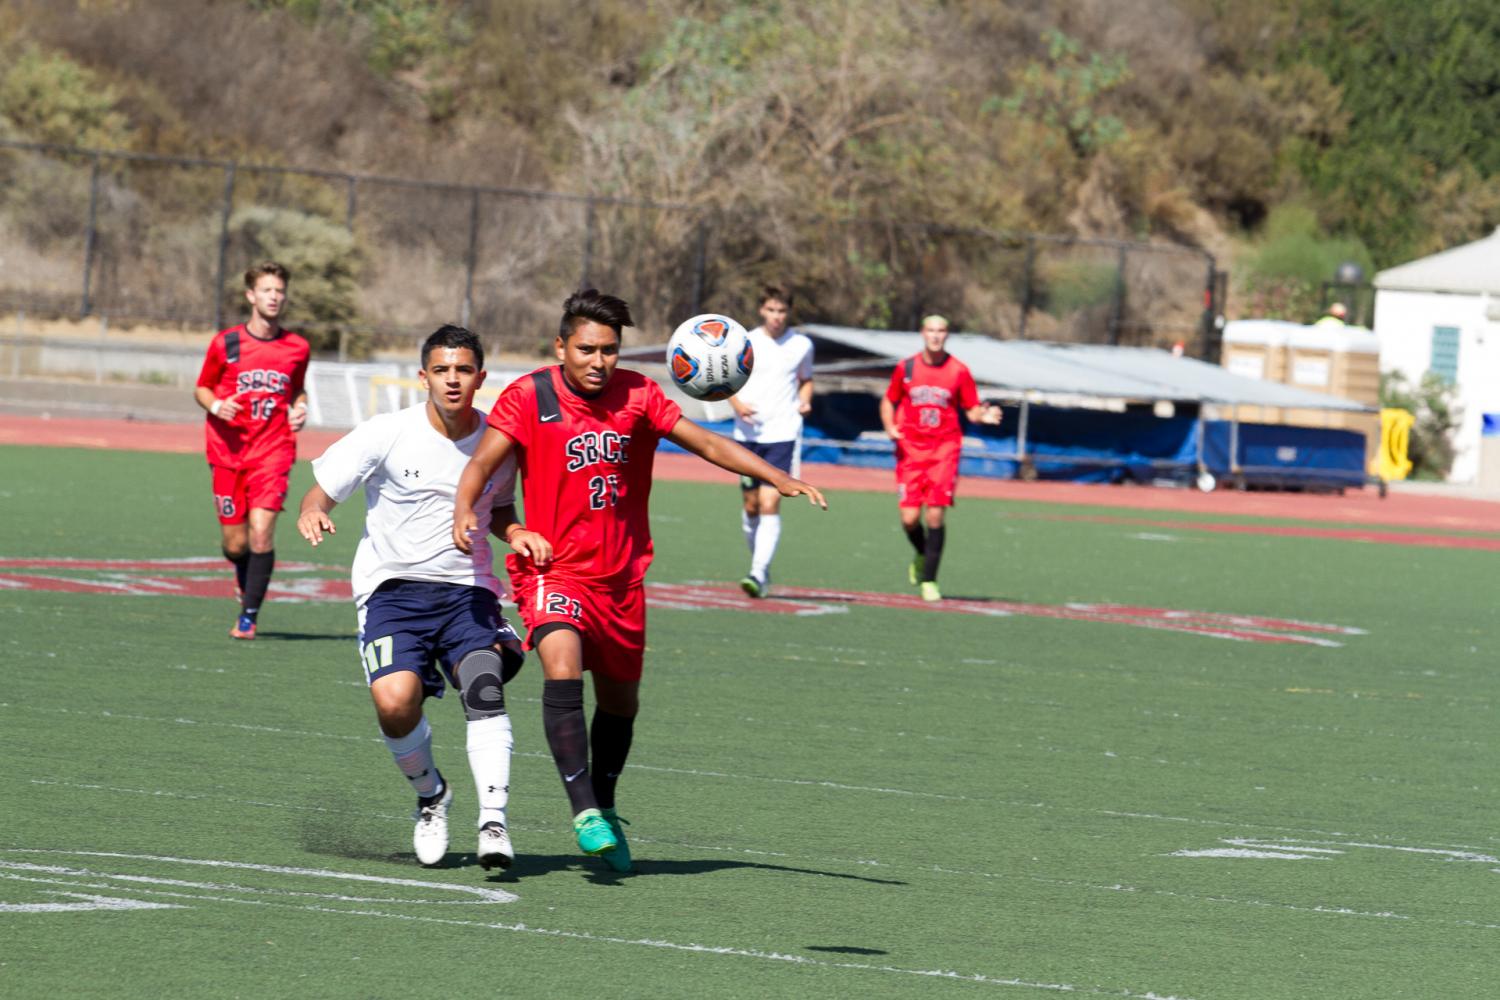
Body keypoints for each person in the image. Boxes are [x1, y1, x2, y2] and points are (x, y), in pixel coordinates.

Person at [452, 288, 827, 873]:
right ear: (561, 346)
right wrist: (468, 511)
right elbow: (480, 463)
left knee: (621, 703)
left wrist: (774, 475)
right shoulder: (531, 395)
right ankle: (584, 812)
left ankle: (604, 799)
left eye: (610, 350)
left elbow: (704, 441)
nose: (599, 361)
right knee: (561, 665)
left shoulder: (640, 394)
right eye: (586, 349)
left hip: (623, 580)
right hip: (554, 571)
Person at [296, 325, 525, 870]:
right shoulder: (386, 432)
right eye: (441, 370)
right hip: (392, 594)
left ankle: (494, 822)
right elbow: (321, 489)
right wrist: (313, 510)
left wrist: (513, 532)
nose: (452, 380)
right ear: (423, 377)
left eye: (463, 370)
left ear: (480, 378)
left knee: (483, 684)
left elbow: (500, 509)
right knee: (395, 703)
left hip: (467, 594)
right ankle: (431, 797)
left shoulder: (499, 444)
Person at [194, 261, 311, 640]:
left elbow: (297, 388)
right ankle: (242, 575)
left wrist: (300, 407)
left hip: (273, 451)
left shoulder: (297, 347)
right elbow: (202, 387)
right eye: (267, 290)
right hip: (227, 452)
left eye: (279, 291)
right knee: (236, 544)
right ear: (251, 296)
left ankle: (249, 615)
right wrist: (216, 406)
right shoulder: (225, 343)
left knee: (261, 533)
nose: (274, 297)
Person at [879, 314, 1002, 603]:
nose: (935, 336)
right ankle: (922, 553)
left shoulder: (959, 371)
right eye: (931, 330)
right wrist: (889, 426)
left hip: (944, 451)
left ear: (947, 335)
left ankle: (930, 579)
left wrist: (984, 414)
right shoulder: (906, 367)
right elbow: (889, 399)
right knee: (910, 519)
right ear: (922, 333)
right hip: (910, 450)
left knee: (935, 514)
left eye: (941, 331)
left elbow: (971, 409)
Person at [727, 284, 814, 599]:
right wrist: (736, 405)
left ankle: (758, 572)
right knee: (751, 506)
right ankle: (759, 563)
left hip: (783, 432)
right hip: (747, 435)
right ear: (762, 310)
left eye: (782, 311)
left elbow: (806, 380)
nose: (776, 317)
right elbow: (728, 381)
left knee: (769, 502)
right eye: (771, 310)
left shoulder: (802, 344)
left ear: (788, 313)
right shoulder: (746, 342)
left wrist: (805, 401)